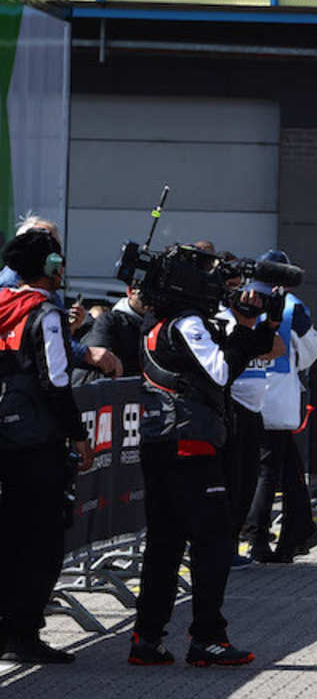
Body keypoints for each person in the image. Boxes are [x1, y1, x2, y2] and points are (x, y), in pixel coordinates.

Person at [128, 245, 277, 667]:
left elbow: (220, 360)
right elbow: (220, 371)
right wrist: (244, 337)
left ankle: (147, 638)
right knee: (212, 542)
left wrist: (250, 328)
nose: (218, 282)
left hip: (161, 442)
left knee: (165, 544)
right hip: (189, 444)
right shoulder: (187, 322)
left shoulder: (155, 323)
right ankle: (207, 637)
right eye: (208, 274)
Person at [0, 230, 93, 664]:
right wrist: (77, 433)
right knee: (41, 540)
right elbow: (56, 381)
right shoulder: (45, 314)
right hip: (37, 442)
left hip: (5, 438)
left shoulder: (3, 305)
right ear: (49, 267)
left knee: (8, 535)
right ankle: (25, 634)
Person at [246, 251, 317, 564]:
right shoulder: (293, 308)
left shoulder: (240, 298)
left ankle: (298, 533)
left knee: (289, 470)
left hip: (243, 394)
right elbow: (310, 351)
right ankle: (257, 538)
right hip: (277, 402)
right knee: (268, 472)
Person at [0, 215, 121, 379]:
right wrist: (86, 353)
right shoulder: (15, 290)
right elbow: (34, 348)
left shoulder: (39, 289)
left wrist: (69, 327)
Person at [219, 281, 286, 569]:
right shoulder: (219, 319)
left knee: (247, 482)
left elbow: (277, 348)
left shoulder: (251, 320)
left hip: (253, 410)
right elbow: (228, 358)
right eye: (237, 290)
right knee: (230, 482)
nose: (248, 297)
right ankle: (223, 548)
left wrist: (260, 327)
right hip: (230, 409)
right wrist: (249, 340)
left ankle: (232, 545)